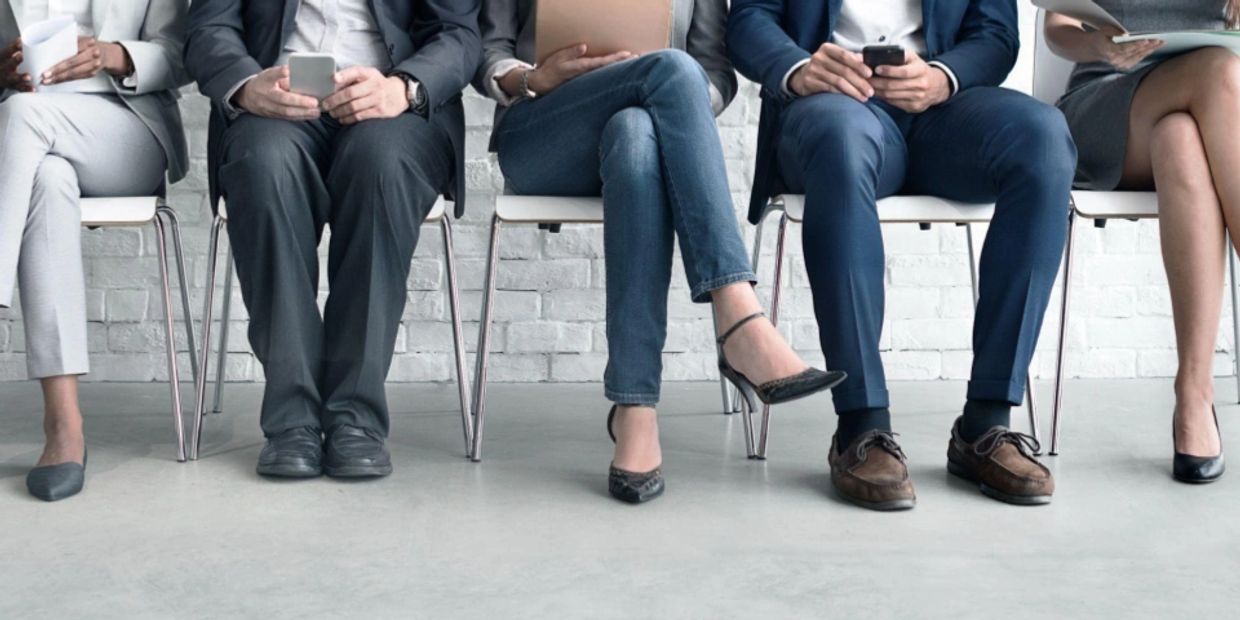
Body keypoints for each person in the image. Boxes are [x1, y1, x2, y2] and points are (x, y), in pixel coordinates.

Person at [476, 0, 844, 504]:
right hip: (542, 130)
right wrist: (532, 78)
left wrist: (675, 101)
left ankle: (636, 409)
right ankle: (738, 318)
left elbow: (714, 72)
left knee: (637, 133)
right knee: (671, 68)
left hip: (644, 131)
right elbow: (489, 49)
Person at [729, 0, 1077, 510]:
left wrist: (942, 77)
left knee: (1043, 140)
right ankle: (862, 426)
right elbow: (748, 19)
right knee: (841, 142)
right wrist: (801, 69)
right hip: (833, 106)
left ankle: (987, 422)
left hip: (944, 115)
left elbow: (996, 34)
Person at [184, 0, 480, 479]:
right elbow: (208, 27)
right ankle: (292, 422)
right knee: (264, 169)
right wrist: (244, 85)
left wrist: (404, 88)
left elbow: (459, 33)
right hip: (274, 104)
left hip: (393, 106)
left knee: (379, 168)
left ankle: (355, 420)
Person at [0, 0, 190, 501]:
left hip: (125, 126)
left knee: (24, 115)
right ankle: (64, 426)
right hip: (31, 145)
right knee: (46, 175)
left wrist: (115, 55)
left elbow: (185, 54)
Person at [1047, 1, 1239, 484]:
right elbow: (1056, 27)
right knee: (1220, 72)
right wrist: (1095, 43)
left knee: (1180, 137)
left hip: (1212, 117)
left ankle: (1193, 395)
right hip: (1107, 102)